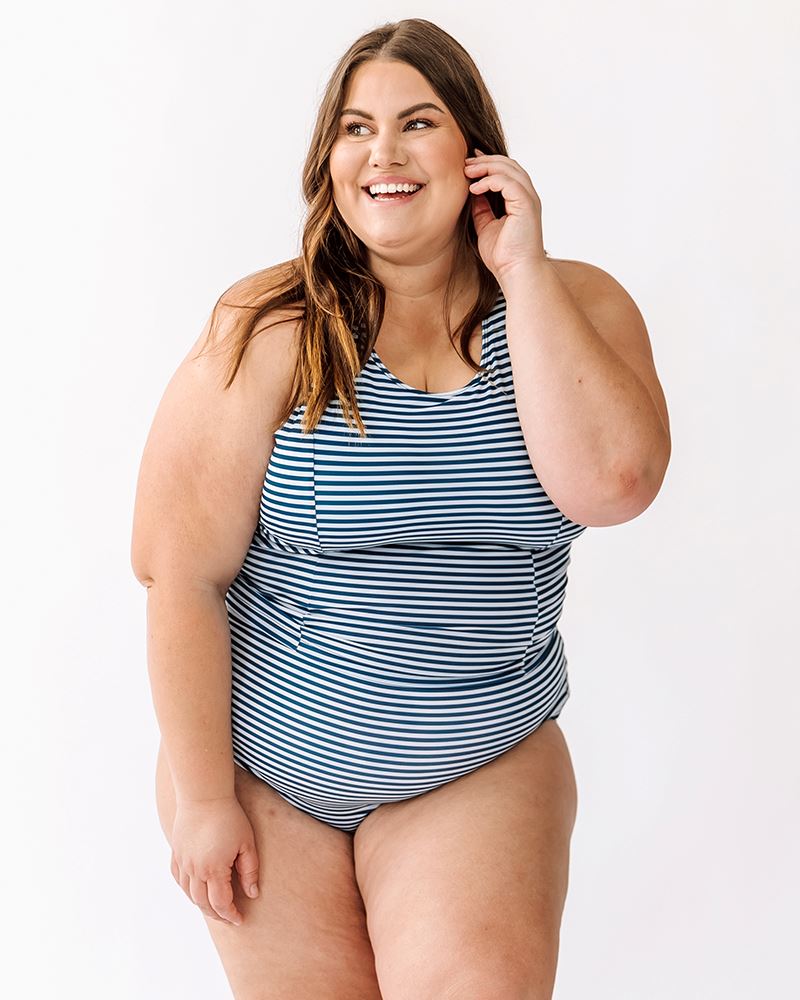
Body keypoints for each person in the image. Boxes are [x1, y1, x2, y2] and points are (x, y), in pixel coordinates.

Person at [130, 17, 670, 1000]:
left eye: (416, 122)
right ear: (326, 159)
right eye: (353, 127)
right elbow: (178, 570)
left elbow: (614, 485)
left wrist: (518, 271)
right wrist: (205, 797)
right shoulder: (268, 326)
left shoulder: (573, 305)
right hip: (261, 768)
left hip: (478, 761)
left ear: (476, 150)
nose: (380, 152)